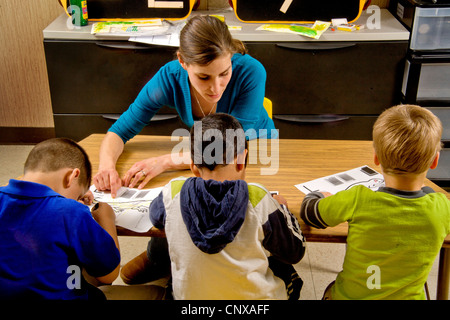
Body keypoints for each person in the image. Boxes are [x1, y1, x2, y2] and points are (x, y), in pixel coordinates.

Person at [122, 113, 304, 299]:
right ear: (241, 160)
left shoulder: (173, 191)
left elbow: (155, 216)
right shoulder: (258, 198)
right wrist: (283, 210)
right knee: (288, 272)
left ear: (192, 165)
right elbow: (295, 252)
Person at [94, 15, 277, 198]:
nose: (216, 88)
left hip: (260, 152)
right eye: (204, 77)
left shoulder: (251, 72)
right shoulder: (168, 78)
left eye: (224, 73)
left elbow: (229, 144)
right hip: (207, 160)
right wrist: (106, 167)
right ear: (182, 61)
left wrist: (164, 162)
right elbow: (119, 131)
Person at [300, 104, 450, 300]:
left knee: (332, 289)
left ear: (376, 157)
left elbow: (310, 214)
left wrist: (319, 196)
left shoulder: (358, 199)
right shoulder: (442, 207)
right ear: (434, 161)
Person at [0, 138, 121, 300]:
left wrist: (72, 198)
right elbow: (108, 275)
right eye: (78, 194)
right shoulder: (71, 212)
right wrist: (107, 219)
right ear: (72, 176)